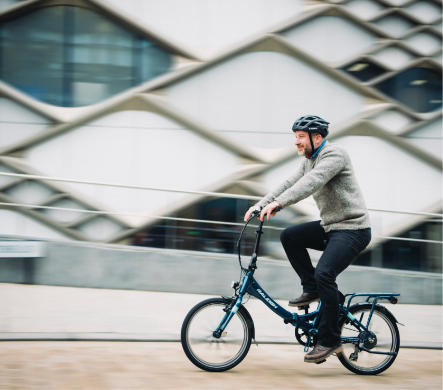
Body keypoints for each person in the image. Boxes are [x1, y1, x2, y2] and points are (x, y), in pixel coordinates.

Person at [244, 115, 371, 364]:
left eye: (301, 137)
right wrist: (259, 205)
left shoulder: (335, 155)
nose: (297, 142)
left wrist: (279, 204)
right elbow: (289, 183)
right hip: (331, 227)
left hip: (353, 229)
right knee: (290, 236)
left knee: (325, 273)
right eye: (296, 137)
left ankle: (330, 339)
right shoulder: (310, 160)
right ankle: (311, 288)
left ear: (318, 138)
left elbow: (311, 183)